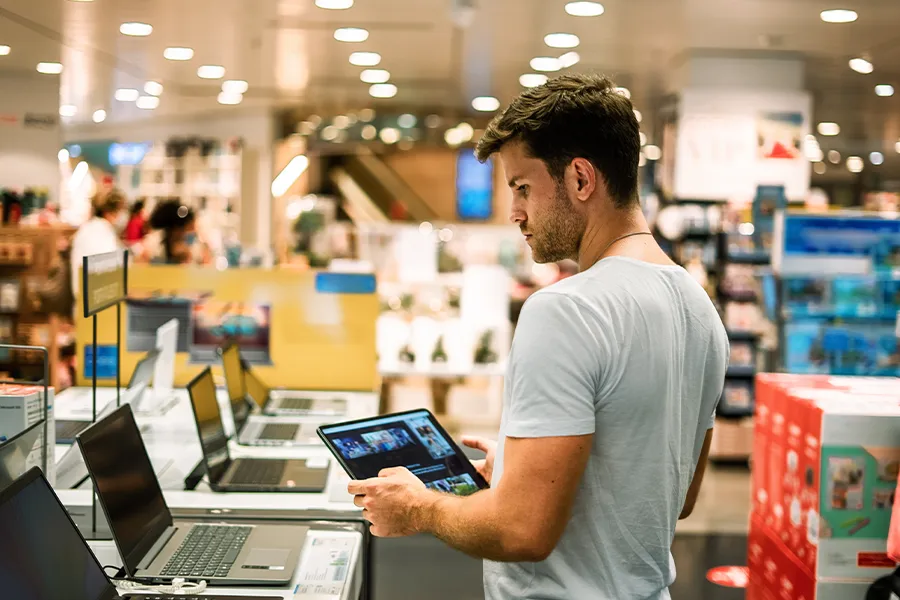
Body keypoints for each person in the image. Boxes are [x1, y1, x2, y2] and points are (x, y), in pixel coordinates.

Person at [348, 73, 729, 600]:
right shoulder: (699, 310)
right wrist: (524, 472)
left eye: (524, 187)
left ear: (579, 179)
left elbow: (521, 530)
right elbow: (673, 494)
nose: (514, 214)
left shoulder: (566, 309)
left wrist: (420, 506)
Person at [70, 189, 126, 297]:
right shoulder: (101, 232)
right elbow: (110, 265)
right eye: (119, 211)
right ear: (109, 212)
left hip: (86, 298)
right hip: (96, 299)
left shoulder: (88, 228)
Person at [145, 200, 201, 264]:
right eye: (188, 228)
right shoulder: (154, 247)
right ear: (176, 228)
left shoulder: (190, 247)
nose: (192, 231)